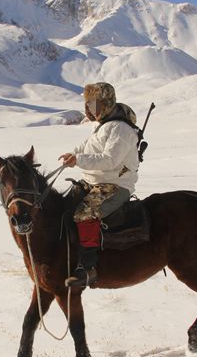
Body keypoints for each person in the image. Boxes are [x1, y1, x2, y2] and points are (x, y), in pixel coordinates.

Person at [59, 82, 140, 288]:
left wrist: (79, 160)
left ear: (106, 104)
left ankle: (88, 268)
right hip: (93, 182)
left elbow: (110, 160)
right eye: (87, 105)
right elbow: (86, 147)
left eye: (93, 105)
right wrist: (73, 154)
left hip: (114, 185)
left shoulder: (121, 129)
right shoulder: (103, 126)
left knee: (84, 214)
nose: (88, 110)